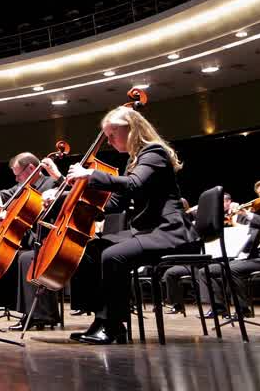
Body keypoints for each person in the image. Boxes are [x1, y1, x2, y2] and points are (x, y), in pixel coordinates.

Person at [64, 107, 193, 345]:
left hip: (167, 231)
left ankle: (113, 325)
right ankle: (101, 319)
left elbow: (133, 185)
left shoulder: (153, 152)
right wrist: (72, 198)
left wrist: (91, 174)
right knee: (90, 249)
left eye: (112, 134)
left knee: (113, 256)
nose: (109, 141)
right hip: (147, 230)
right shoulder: (134, 160)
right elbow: (115, 202)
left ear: (131, 130)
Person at [0, 152, 62, 330]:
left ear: (31, 168)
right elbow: (4, 194)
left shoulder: (50, 183)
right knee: (11, 257)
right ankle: (25, 311)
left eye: (18, 174)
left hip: (48, 238)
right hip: (31, 238)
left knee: (26, 258)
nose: (16, 178)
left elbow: (65, 192)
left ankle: (41, 314)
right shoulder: (22, 186)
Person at [194, 181, 260, 319]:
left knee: (232, 270)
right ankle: (219, 307)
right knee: (207, 270)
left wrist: (249, 215)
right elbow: (247, 233)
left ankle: (242, 310)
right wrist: (241, 215)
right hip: (256, 255)